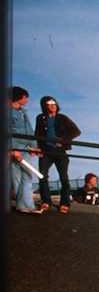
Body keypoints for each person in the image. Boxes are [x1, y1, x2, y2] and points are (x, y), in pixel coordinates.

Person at [34, 95, 81, 214]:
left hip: (60, 151)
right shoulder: (40, 118)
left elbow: (76, 131)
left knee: (63, 177)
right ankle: (46, 200)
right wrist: (38, 148)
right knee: (42, 176)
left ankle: (65, 203)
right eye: (49, 104)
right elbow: (37, 134)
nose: (52, 106)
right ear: (44, 106)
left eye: (54, 103)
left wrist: (63, 140)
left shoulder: (62, 118)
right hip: (46, 151)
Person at [9, 86, 41, 214]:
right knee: (17, 177)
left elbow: (29, 130)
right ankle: (25, 205)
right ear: (18, 97)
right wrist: (13, 149)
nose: (27, 100)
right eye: (25, 97)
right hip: (15, 147)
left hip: (26, 148)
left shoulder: (23, 112)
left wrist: (34, 146)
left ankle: (23, 204)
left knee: (27, 175)